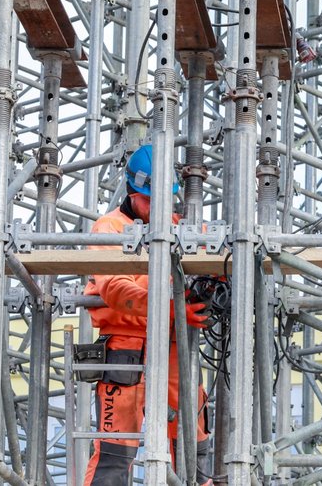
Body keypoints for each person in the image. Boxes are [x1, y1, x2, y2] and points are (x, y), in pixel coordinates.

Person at [83, 144, 212, 485]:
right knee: (114, 455)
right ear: (132, 191)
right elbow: (115, 289)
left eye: (163, 200)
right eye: (148, 199)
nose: (157, 208)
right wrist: (170, 309)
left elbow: (219, 255)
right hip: (126, 350)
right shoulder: (109, 228)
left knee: (194, 451)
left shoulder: (179, 225)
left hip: (174, 346)